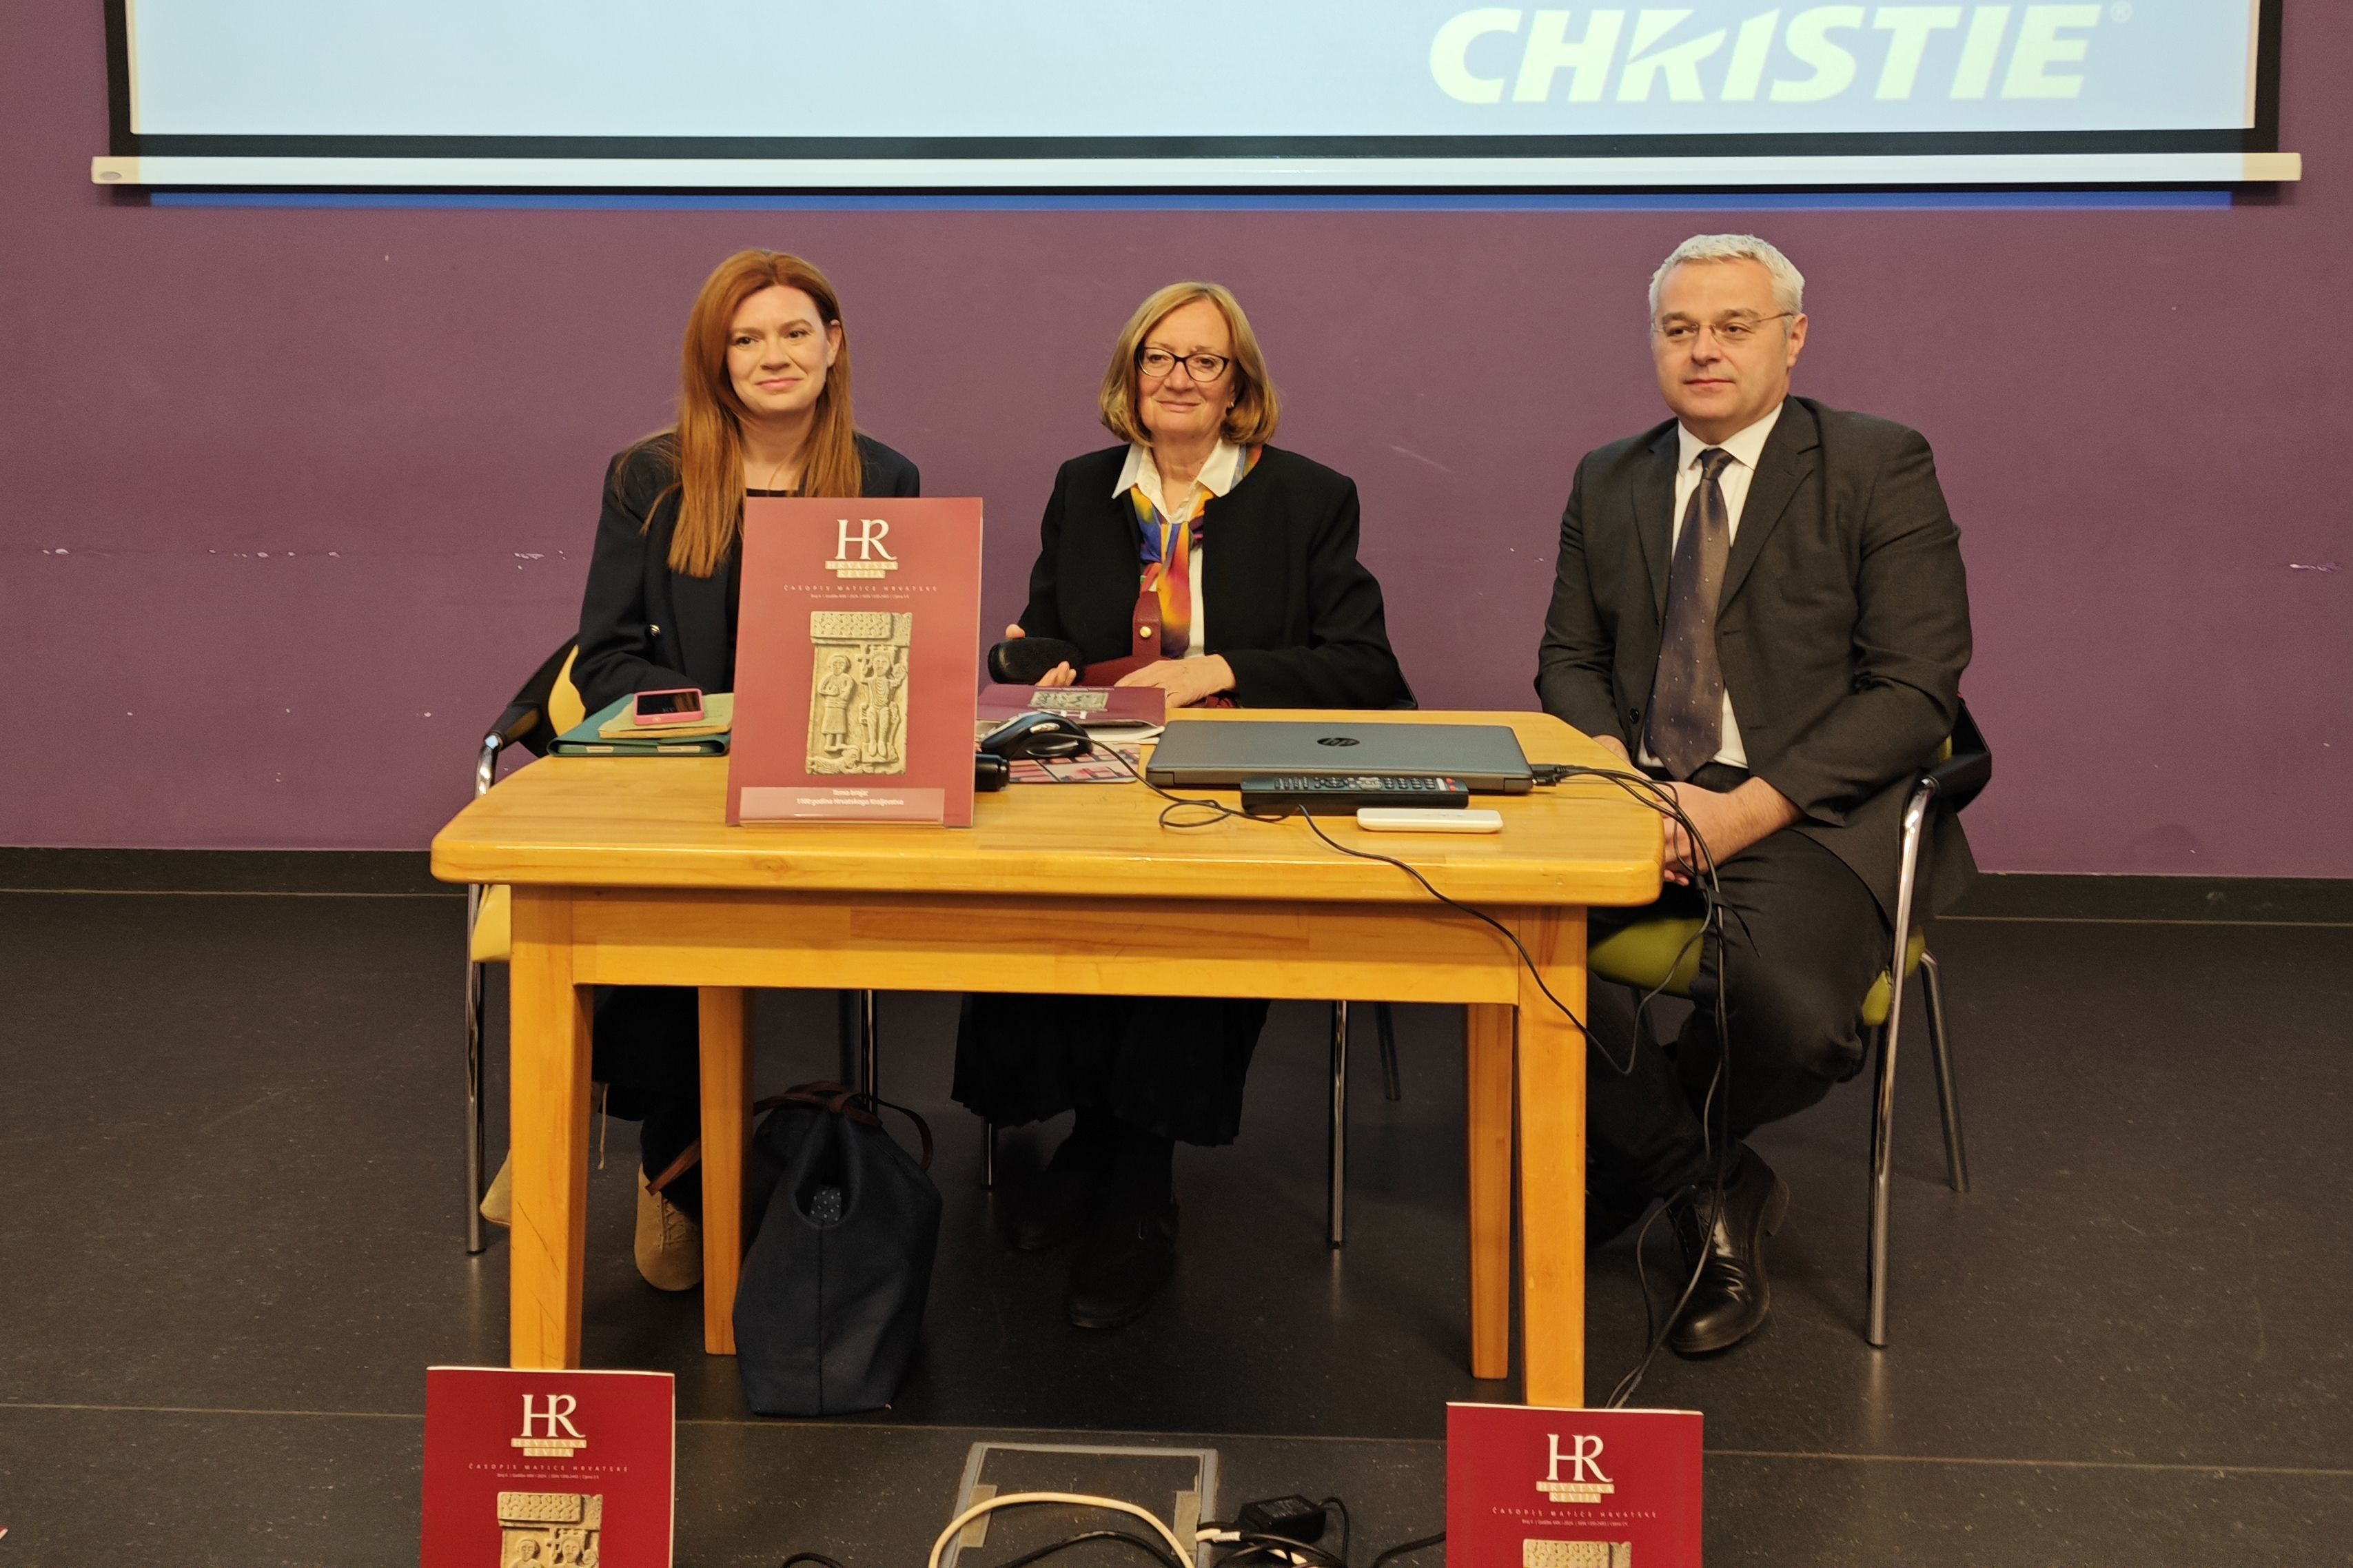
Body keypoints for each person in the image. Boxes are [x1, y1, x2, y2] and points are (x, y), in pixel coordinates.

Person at [1534, 234, 1974, 1356]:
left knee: (1794, 1016)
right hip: (1641, 797)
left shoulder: (1877, 462)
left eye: (1733, 326)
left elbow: (1913, 686)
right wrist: (1616, 774)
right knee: (1504, 946)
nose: (1703, 350)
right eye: (1679, 328)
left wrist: (1746, 809)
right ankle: (1706, 1185)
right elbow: (1568, 659)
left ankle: (1639, 1156)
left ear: (1793, 337)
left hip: (1810, 812)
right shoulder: (1608, 476)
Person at [957, 281, 1412, 1330]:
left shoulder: (1307, 495)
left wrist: (1220, 668)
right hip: (1092, 772)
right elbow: (1041, 628)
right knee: (1043, 905)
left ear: (1237, 386)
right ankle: (1090, 1139)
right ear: (1130, 375)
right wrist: (1032, 657)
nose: (1178, 378)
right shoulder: (1084, 487)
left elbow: (1365, 667)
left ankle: (1137, 1185)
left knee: (1185, 921)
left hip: (1228, 782)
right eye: (1158, 357)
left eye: (1204, 360)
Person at [485, 249, 921, 1292]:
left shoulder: (887, 478)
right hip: (680, 768)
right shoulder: (650, 476)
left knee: (682, 925)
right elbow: (606, 660)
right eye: (746, 339)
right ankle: (672, 1168)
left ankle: (585, 1107)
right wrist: (732, 720)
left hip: (822, 771)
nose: (774, 356)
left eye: (794, 333)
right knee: (670, 909)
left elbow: (896, 647)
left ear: (833, 346)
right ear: (715, 359)